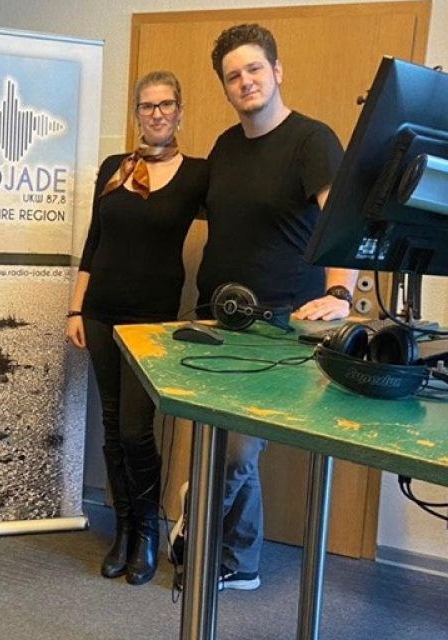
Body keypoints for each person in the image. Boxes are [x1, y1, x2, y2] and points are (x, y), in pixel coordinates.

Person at [177, 23, 355, 592]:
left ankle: (193, 524)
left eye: (254, 68)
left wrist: (340, 294)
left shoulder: (312, 141)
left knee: (234, 451)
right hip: (217, 318)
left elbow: (341, 223)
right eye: (233, 75)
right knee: (225, 440)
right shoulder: (226, 146)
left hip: (278, 327)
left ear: (276, 71)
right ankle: (241, 561)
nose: (245, 81)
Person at [66, 70, 208, 586]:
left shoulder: (198, 175)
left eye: (166, 104)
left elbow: (239, 224)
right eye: (147, 106)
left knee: (134, 430)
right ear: (136, 114)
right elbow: (94, 241)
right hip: (101, 313)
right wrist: (76, 310)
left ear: (179, 112)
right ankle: (123, 530)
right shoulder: (115, 167)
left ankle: (147, 530)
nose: (157, 113)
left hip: (152, 324)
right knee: (111, 425)